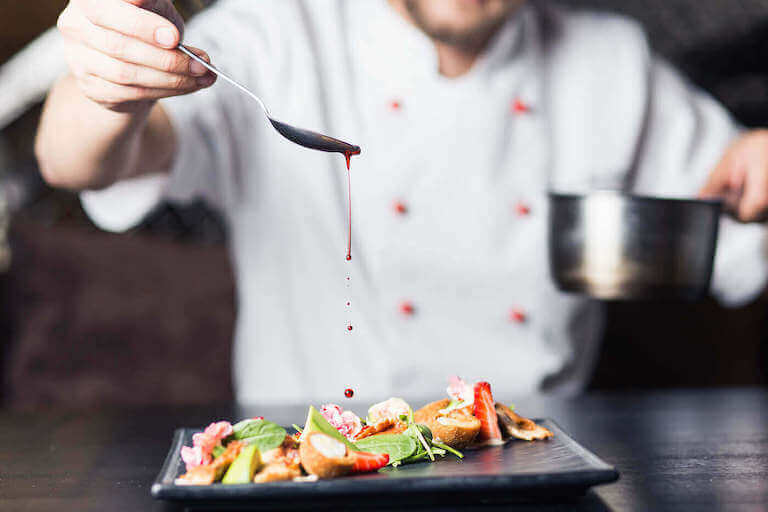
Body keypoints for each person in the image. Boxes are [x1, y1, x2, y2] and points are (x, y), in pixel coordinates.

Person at [35, 0, 768, 404]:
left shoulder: (611, 62)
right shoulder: (275, 32)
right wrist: (106, 82)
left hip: (542, 467)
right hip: (306, 468)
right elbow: (77, 161)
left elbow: (744, 230)